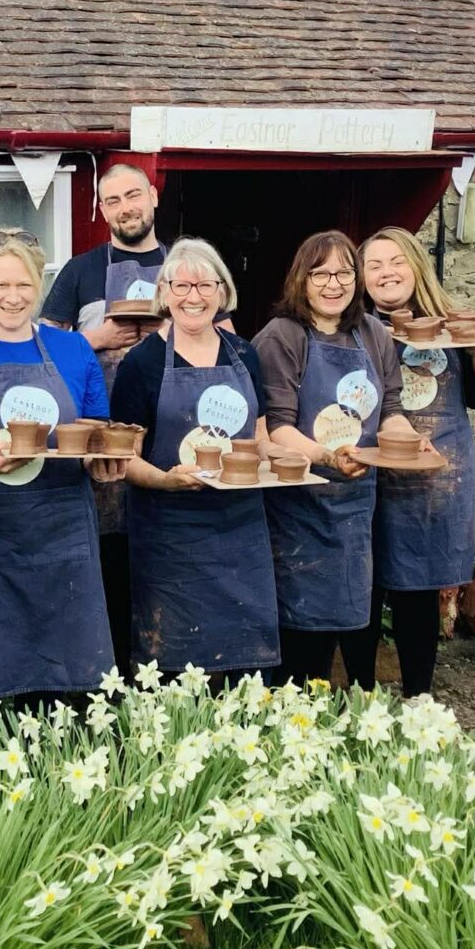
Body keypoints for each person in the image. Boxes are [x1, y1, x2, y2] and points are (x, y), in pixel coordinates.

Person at [0, 228, 125, 746]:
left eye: (25, 285)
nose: (13, 297)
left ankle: (63, 790)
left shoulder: (74, 350)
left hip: (62, 536)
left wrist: (103, 465)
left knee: (67, 676)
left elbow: (97, 433)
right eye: (1, 284)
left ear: (40, 286)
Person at [253, 230, 428, 688]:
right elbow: (277, 427)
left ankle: (346, 717)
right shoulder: (282, 336)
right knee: (301, 628)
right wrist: (327, 456)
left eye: (345, 273)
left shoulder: (371, 333)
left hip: (355, 503)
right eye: (321, 273)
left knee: (353, 613)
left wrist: (408, 440)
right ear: (302, 279)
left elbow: (390, 410)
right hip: (298, 503)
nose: (334, 284)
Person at [110, 238, 280, 683]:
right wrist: (166, 479)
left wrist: (303, 461)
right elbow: (124, 460)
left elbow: (260, 439)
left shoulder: (244, 353)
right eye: (181, 284)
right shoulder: (141, 364)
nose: (193, 296)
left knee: (241, 664)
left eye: (205, 284)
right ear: (164, 293)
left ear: (222, 293)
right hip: (171, 535)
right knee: (172, 670)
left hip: (240, 529)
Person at [351, 226, 475, 696]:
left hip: (432, 482)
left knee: (417, 591)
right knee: (364, 588)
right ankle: (360, 695)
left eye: (395, 261)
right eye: (373, 265)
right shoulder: (351, 328)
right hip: (366, 474)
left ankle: (418, 695)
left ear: (415, 266)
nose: (386, 273)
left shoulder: (451, 324)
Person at [40, 163, 175, 670]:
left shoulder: (183, 265)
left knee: (163, 554)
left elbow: (224, 338)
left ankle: (164, 672)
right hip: (100, 436)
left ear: (154, 198)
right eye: (112, 200)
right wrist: (95, 340)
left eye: (133, 195)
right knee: (112, 560)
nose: (125, 208)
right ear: (102, 211)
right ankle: (110, 671)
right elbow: (43, 349)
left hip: (172, 433)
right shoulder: (81, 270)